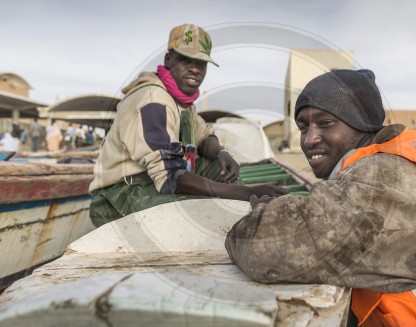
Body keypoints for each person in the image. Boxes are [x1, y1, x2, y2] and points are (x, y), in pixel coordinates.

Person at [225, 69, 416, 326]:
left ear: (362, 124)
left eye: (325, 123)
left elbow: (262, 245)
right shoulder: (405, 150)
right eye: (303, 127)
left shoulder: (384, 180)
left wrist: (262, 211)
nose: (309, 139)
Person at [89, 23, 287, 228]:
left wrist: (221, 153)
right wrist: (246, 193)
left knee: (215, 168)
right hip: (119, 196)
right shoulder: (152, 100)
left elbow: (202, 136)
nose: (195, 69)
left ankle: (241, 222)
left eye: (201, 63)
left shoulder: (182, 102)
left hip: (148, 185)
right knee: (212, 209)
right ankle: (240, 225)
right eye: (186, 60)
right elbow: (170, 177)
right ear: (168, 60)